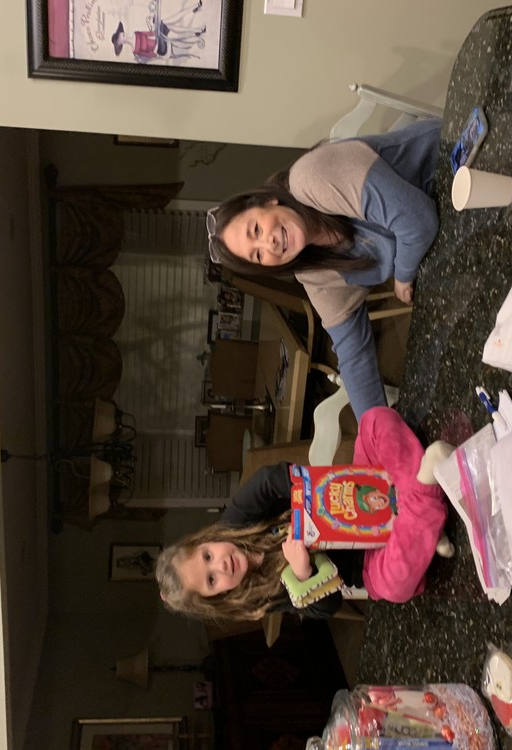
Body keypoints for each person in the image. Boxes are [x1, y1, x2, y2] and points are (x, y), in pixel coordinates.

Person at [206, 118, 441, 421]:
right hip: (442, 245)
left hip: (455, 167)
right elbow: (353, 355)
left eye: (256, 230)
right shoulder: (313, 272)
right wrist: (376, 430)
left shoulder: (310, 178)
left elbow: (418, 221)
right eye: (258, 255)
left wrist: (403, 276)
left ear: (267, 201)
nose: (270, 244)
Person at [156, 407, 453, 621]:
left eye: (208, 556)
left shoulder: (235, 522)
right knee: (393, 586)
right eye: (211, 580)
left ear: (206, 540)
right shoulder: (257, 597)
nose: (221, 565)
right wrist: (303, 572)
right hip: (369, 557)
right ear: (217, 597)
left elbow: (267, 480)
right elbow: (327, 608)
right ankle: (422, 499)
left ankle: (421, 516)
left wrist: (307, 504)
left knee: (374, 421)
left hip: (362, 488)